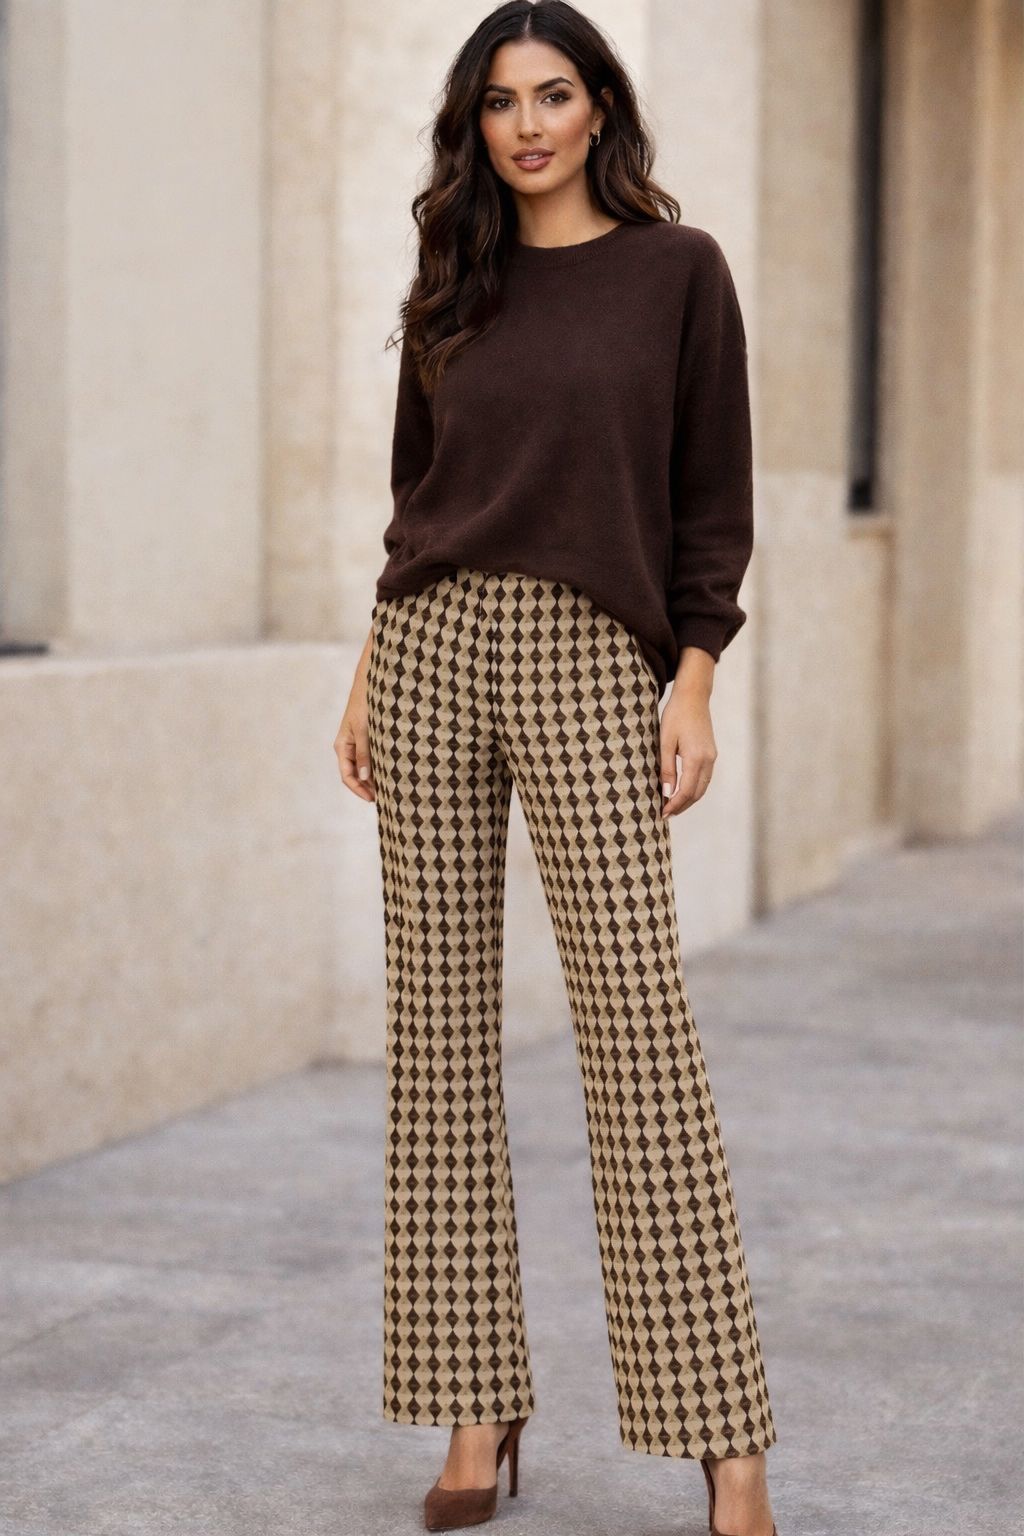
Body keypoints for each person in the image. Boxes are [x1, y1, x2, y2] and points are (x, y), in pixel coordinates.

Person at [333, 4, 780, 1533]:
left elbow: (712, 498)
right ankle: (477, 1407)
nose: (527, 125)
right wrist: (370, 668)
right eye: (500, 102)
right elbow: (418, 499)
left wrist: (695, 676)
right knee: (440, 1043)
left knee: (639, 1037)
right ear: (475, 123)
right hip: (431, 649)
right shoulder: (453, 279)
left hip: (594, 654)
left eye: (554, 95)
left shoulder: (678, 272)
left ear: (600, 109)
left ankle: (727, 1443)